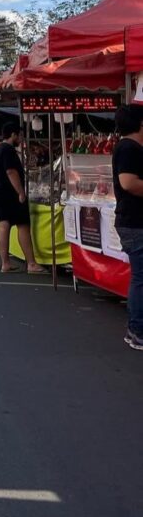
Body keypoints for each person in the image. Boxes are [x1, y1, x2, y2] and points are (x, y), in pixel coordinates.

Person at [0, 123, 44, 275]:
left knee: (3, 224)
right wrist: (20, 192)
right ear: (13, 135)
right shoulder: (8, 150)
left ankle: (5, 263)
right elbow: (11, 171)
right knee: (23, 225)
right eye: (19, 135)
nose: (21, 138)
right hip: (10, 192)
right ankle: (31, 263)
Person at [111, 105, 143, 350]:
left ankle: (135, 328)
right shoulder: (128, 148)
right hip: (135, 222)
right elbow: (129, 183)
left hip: (133, 221)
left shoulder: (129, 148)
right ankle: (137, 329)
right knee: (141, 278)